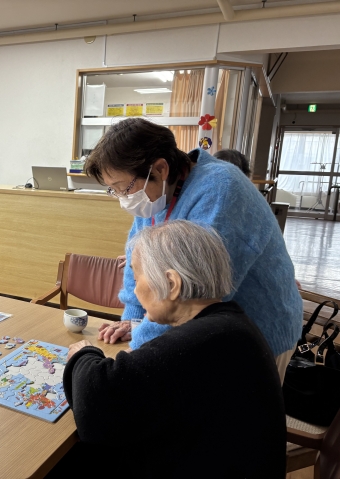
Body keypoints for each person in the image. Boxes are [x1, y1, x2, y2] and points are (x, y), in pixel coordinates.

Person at [57, 221, 286, 478]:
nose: (135, 290)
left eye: (137, 278)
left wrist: (83, 353)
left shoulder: (201, 340)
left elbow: (97, 406)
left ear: (171, 284)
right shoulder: (229, 325)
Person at [85, 118, 301, 383]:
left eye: (125, 188)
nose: (123, 198)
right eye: (114, 190)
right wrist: (132, 318)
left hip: (257, 330)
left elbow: (193, 294)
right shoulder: (156, 195)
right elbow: (137, 261)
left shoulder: (221, 189)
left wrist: (140, 348)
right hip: (200, 331)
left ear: (160, 169)